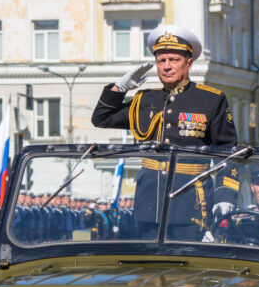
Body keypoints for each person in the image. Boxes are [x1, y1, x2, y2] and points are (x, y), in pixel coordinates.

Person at [91, 25, 239, 240]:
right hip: (149, 201)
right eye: (161, 61)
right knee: (148, 266)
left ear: (188, 63)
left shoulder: (210, 99)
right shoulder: (144, 100)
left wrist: (225, 194)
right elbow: (101, 119)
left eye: (174, 60)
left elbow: (228, 152)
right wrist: (120, 87)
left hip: (191, 201)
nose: (167, 67)